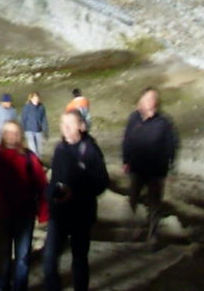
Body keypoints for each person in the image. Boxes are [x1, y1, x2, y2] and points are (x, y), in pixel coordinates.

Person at [43, 111, 109, 291]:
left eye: (69, 124)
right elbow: (55, 179)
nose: (64, 128)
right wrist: (51, 195)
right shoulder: (60, 149)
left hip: (81, 214)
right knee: (49, 259)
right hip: (59, 213)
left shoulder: (91, 150)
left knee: (79, 260)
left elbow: (102, 182)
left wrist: (76, 192)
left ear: (81, 126)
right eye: (63, 124)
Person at [0, 120, 48, 291]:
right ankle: (2, 285)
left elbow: (41, 185)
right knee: (3, 256)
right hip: (1, 214)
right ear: (3, 135)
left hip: (24, 215)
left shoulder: (29, 158)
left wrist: (43, 213)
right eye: (8, 132)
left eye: (14, 132)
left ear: (20, 136)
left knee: (22, 257)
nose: (11, 136)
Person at [122, 87, 178, 246]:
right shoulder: (134, 118)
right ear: (141, 101)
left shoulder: (165, 122)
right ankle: (135, 228)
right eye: (147, 99)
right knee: (133, 200)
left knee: (155, 204)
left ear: (157, 102)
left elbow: (172, 145)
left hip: (156, 170)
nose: (150, 102)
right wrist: (125, 160)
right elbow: (127, 140)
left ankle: (152, 235)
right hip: (137, 168)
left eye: (153, 99)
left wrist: (172, 168)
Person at [20, 91, 49, 157]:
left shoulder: (41, 107)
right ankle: (34, 164)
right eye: (35, 98)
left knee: (40, 150)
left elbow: (44, 120)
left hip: (38, 130)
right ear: (31, 99)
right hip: (29, 131)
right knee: (33, 150)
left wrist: (46, 131)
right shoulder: (26, 107)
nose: (36, 100)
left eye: (37, 98)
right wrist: (22, 131)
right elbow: (23, 119)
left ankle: (39, 164)